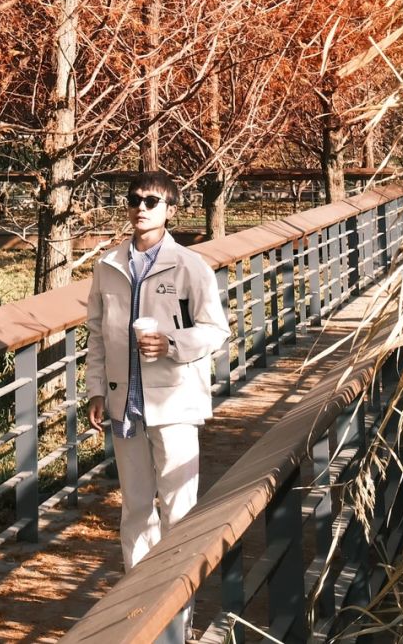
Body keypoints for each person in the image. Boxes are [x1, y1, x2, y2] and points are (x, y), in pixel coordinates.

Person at [86, 168, 230, 578]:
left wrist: (171, 344)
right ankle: (140, 614)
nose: (141, 208)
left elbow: (216, 330)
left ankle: (178, 620)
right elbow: (96, 334)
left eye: (152, 201)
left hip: (175, 403)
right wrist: (96, 390)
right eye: (134, 200)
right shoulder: (107, 266)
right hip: (124, 405)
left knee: (179, 510)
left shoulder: (189, 266)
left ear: (170, 209)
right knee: (134, 509)